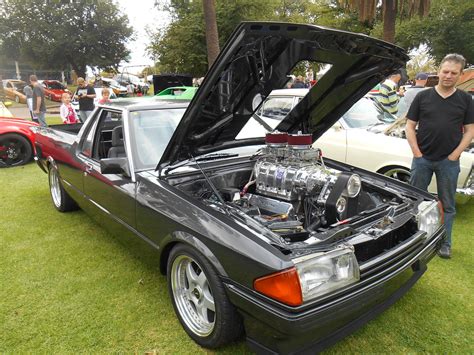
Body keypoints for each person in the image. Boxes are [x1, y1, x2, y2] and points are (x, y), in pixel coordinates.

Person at [405, 53, 474, 259]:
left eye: (454, 73)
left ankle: (446, 243)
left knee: (448, 204)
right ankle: (411, 240)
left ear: (461, 75)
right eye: (445, 71)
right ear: (439, 72)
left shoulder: (465, 100)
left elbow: (470, 130)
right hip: (422, 160)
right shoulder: (423, 96)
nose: (448, 76)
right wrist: (417, 154)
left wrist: (454, 155)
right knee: (414, 200)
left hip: (448, 163)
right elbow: (410, 127)